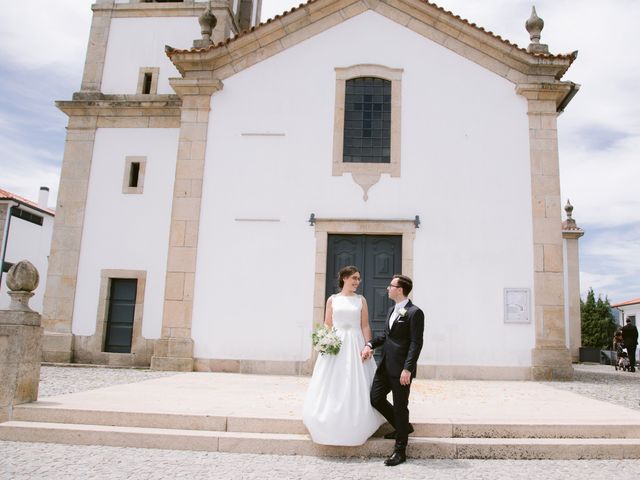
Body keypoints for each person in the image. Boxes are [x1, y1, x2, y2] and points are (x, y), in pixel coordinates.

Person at [302, 266, 384, 445]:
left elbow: (365, 325)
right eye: (354, 278)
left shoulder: (361, 300)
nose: (357, 282)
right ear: (344, 279)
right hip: (336, 345)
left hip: (355, 343)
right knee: (334, 380)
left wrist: (367, 346)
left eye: (358, 279)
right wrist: (324, 341)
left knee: (355, 380)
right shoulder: (332, 300)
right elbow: (327, 323)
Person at [361, 274, 424, 466]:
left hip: (401, 369)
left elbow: (416, 343)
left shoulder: (415, 312)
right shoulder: (391, 310)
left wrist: (408, 368)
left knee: (400, 406)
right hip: (385, 366)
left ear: (400, 289)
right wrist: (370, 344)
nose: (388, 288)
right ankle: (403, 427)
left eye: (391, 285)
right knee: (375, 398)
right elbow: (387, 336)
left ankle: (400, 451)